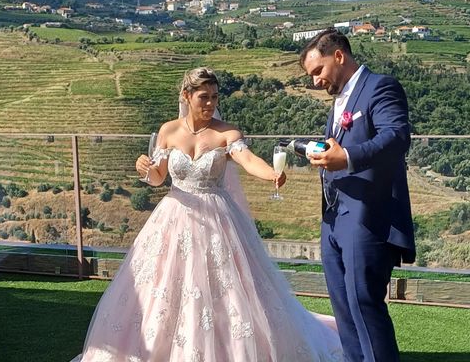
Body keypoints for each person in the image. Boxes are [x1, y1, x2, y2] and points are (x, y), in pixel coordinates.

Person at [73, 67, 343, 361]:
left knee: (226, 291)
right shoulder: (168, 131)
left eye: (215, 97)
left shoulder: (227, 132)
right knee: (164, 287)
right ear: (187, 96)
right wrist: (145, 170)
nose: (211, 103)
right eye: (204, 97)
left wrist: (271, 175)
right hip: (174, 216)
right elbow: (158, 177)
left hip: (218, 220)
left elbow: (248, 159)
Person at [299, 29, 415, 362]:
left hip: (367, 216)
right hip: (334, 218)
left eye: (318, 71)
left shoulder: (381, 86)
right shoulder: (338, 103)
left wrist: (346, 158)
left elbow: (397, 136)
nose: (316, 82)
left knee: (365, 304)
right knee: (345, 311)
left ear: (338, 55)